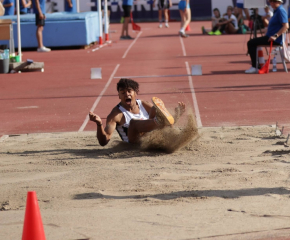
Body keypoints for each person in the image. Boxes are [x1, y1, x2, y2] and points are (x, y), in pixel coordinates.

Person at [88, 78, 185, 146]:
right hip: (134, 143)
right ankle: (158, 121)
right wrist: (99, 124)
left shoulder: (144, 104)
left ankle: (172, 135)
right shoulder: (116, 114)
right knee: (133, 123)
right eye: (123, 92)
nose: (126, 94)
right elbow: (103, 142)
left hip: (150, 137)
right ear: (119, 96)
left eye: (129, 91)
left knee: (155, 109)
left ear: (136, 93)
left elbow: (160, 115)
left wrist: (176, 115)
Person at [245, 0, 288, 74]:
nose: (272, 3)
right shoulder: (276, 11)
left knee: (251, 43)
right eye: (271, 1)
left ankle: (255, 67)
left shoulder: (280, 10)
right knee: (253, 42)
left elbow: (286, 26)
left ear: (279, 2)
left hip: (274, 39)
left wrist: (275, 36)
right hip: (270, 37)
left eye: (274, 1)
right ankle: (257, 65)